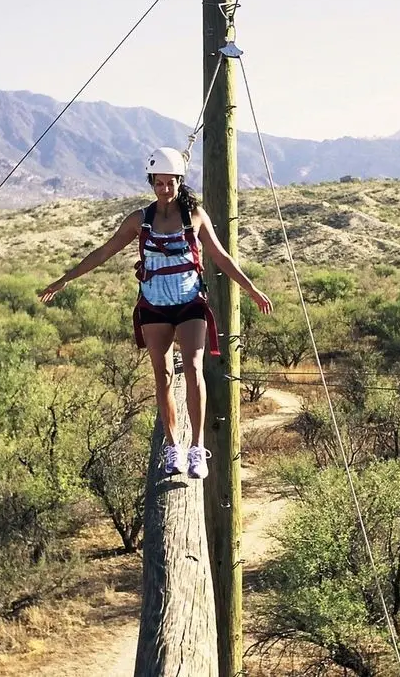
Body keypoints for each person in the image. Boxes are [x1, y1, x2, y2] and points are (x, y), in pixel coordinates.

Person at [38, 147, 272, 479]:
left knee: (193, 367)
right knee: (163, 375)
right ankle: (173, 447)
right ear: (151, 183)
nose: (165, 189)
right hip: (153, 306)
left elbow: (221, 256)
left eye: (170, 182)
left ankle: (197, 448)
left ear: (179, 181)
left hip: (190, 303)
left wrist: (251, 289)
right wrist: (66, 279)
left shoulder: (195, 216)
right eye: (159, 183)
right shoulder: (139, 220)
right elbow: (104, 252)